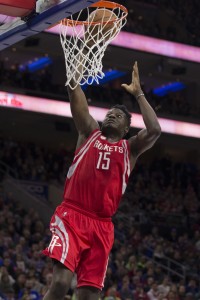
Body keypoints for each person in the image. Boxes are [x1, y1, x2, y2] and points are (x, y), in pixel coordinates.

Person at [42, 61, 161, 300]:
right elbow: (73, 88)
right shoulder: (89, 131)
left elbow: (155, 129)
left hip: (102, 226)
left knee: (88, 296)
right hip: (72, 215)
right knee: (61, 283)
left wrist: (138, 94)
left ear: (127, 128)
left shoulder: (131, 148)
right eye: (109, 114)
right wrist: (80, 59)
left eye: (117, 116)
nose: (111, 117)